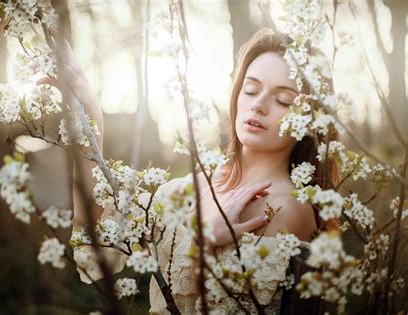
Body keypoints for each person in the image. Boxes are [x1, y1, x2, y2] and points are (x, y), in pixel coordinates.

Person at [41, 27, 338, 314]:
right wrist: (89, 114)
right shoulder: (198, 183)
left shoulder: (285, 209)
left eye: (283, 99)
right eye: (251, 89)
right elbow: (99, 236)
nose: (259, 105)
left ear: (309, 119)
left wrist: (203, 241)